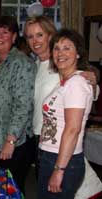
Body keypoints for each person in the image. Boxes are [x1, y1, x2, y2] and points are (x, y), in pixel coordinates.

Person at [24, 16, 99, 178]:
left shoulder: (61, 62)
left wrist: (92, 80)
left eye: (40, 35)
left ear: (50, 36)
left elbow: (87, 88)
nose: (34, 40)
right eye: (30, 36)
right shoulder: (33, 65)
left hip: (58, 142)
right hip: (38, 136)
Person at [0, 16, 36, 194]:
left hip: (13, 143)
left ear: (14, 37)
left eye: (5, 32)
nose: (0, 36)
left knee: (12, 189)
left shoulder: (22, 63)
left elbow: (23, 105)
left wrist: (10, 141)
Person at [37, 29, 93, 198]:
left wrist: (59, 169)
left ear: (78, 54)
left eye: (67, 48)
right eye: (56, 48)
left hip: (62, 161)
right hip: (50, 155)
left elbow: (72, 129)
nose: (60, 53)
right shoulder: (64, 82)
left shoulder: (76, 84)